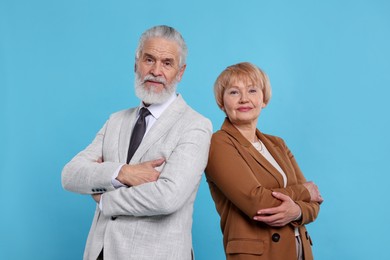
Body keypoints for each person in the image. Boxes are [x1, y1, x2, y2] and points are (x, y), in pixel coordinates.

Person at [61, 25, 212, 260]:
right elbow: (70, 175)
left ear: (180, 72)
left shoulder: (196, 125)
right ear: (136, 64)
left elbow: (167, 197)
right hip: (99, 252)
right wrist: (122, 173)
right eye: (149, 59)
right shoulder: (116, 121)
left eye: (167, 63)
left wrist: (104, 198)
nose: (156, 71)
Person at [205, 62, 323, 260]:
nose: (244, 99)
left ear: (264, 99)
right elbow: (257, 202)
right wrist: (304, 191)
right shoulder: (218, 143)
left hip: (299, 251)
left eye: (252, 90)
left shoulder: (278, 144)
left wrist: (297, 211)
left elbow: (314, 204)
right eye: (234, 92)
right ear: (221, 102)